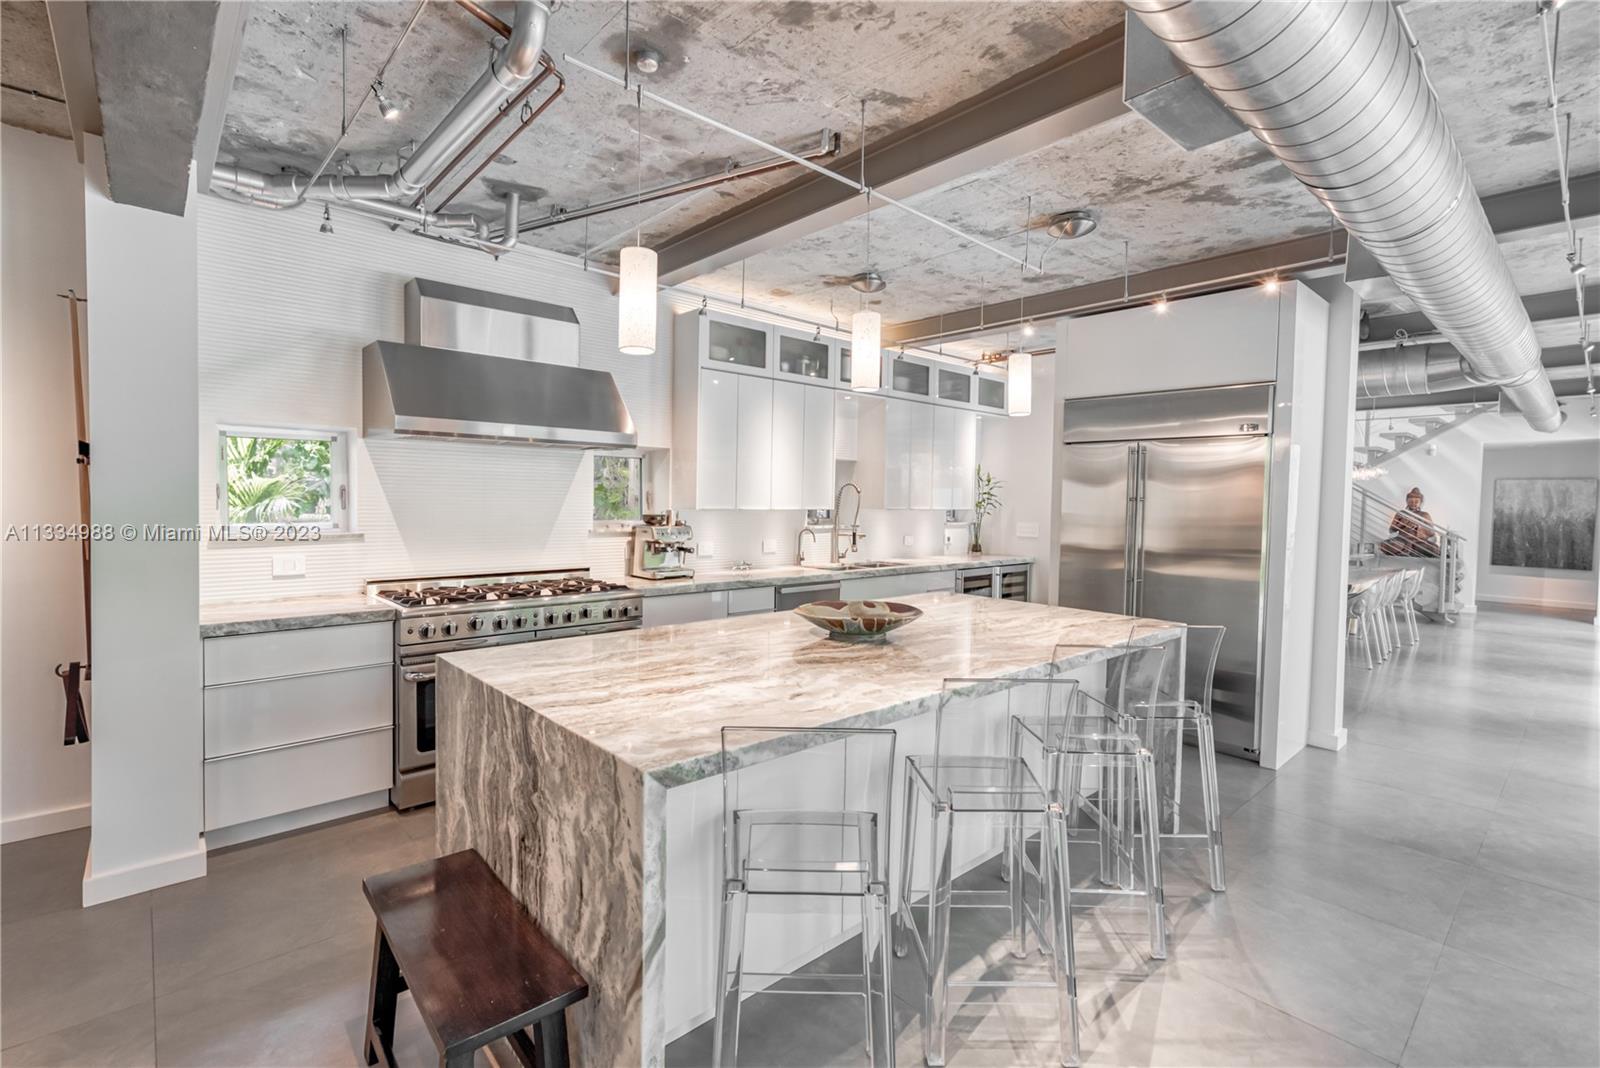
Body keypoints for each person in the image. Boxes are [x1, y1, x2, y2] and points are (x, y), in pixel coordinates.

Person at [1381, 487, 1439, 557]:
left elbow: (1432, 533)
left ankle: (1410, 550)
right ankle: (1409, 550)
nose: (1413, 503)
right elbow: (1391, 530)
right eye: (1411, 501)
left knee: (1434, 549)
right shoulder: (1401, 513)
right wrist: (1402, 524)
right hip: (1402, 540)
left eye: (1416, 501)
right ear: (1407, 501)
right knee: (1392, 545)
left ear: (1420, 503)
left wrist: (1419, 526)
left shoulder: (1425, 515)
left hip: (1419, 542)